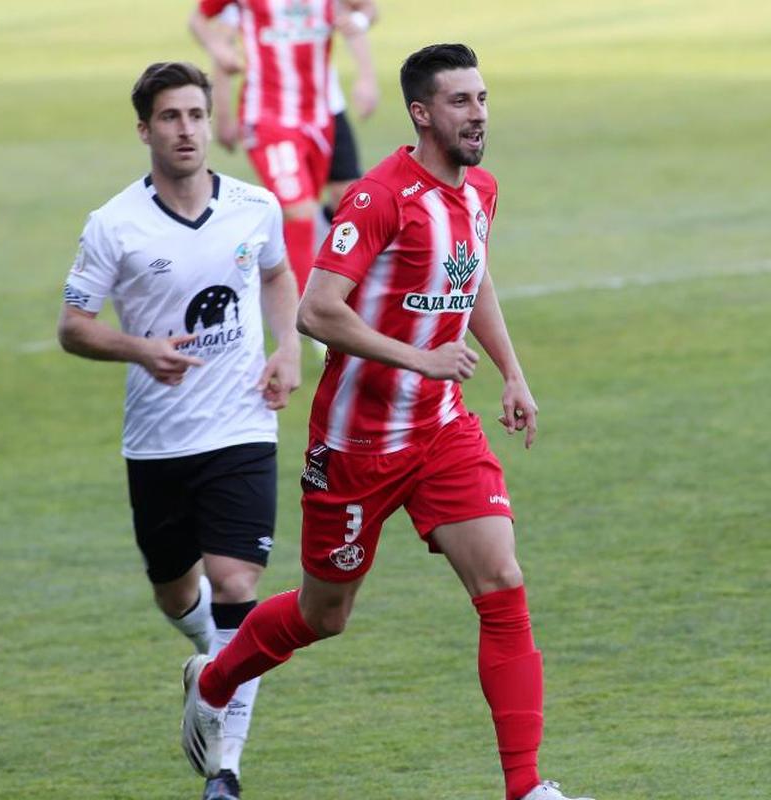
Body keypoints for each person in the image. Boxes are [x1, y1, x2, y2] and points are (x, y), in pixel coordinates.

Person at [179, 44, 594, 800]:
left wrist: (512, 372)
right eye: (462, 102)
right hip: (354, 446)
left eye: (482, 98)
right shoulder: (378, 199)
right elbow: (316, 310)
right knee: (323, 614)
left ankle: (527, 788)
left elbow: (474, 278)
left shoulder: (481, 192)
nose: (478, 115)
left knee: (502, 580)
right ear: (422, 113)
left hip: (441, 431)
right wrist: (418, 357)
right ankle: (212, 681)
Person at [56, 61, 300, 800]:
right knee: (175, 592)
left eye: (196, 114)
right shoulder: (114, 225)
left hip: (243, 426)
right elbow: (73, 327)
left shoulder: (255, 206)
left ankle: (225, 768)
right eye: (170, 117)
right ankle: (209, 659)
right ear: (145, 130)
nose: (187, 129)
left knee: (236, 580)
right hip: (159, 440)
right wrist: (139, 349)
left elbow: (280, 276)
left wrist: (287, 347)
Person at [189, 0, 379, 296]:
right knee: (299, 210)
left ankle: (296, 280)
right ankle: (311, 317)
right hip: (269, 118)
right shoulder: (240, 7)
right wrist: (223, 109)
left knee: (341, 202)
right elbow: (204, 25)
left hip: (321, 116)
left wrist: (366, 75)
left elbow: (363, 10)